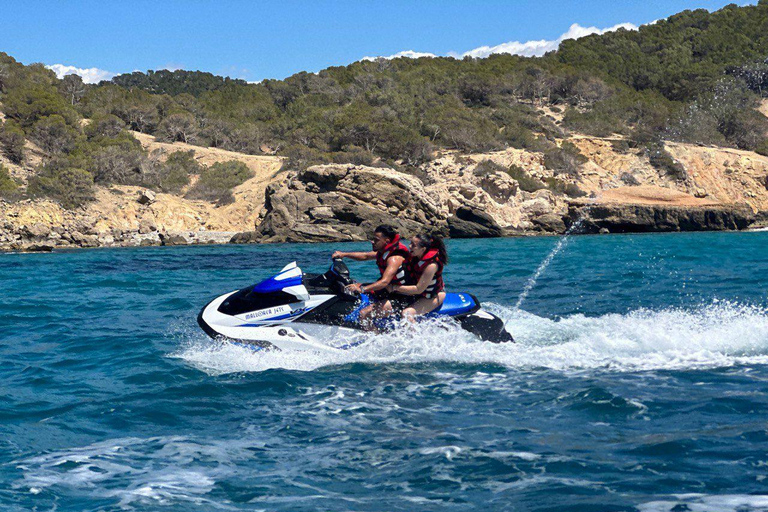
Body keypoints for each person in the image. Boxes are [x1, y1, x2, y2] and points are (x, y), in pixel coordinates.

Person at [331, 225, 409, 329]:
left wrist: (362, 289)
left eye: (376, 240)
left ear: (387, 241)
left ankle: (375, 339)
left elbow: (384, 282)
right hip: (389, 290)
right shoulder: (383, 252)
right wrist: (344, 254)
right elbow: (365, 256)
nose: (372, 242)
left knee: (364, 314)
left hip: (403, 296)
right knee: (353, 286)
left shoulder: (394, 258)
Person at [389, 233, 448, 322]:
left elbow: (418, 289)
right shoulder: (415, 257)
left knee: (406, 313)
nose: (409, 246)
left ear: (423, 249)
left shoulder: (431, 265)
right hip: (418, 294)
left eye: (413, 245)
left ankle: (416, 335)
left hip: (432, 296)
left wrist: (394, 287)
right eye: (410, 243)